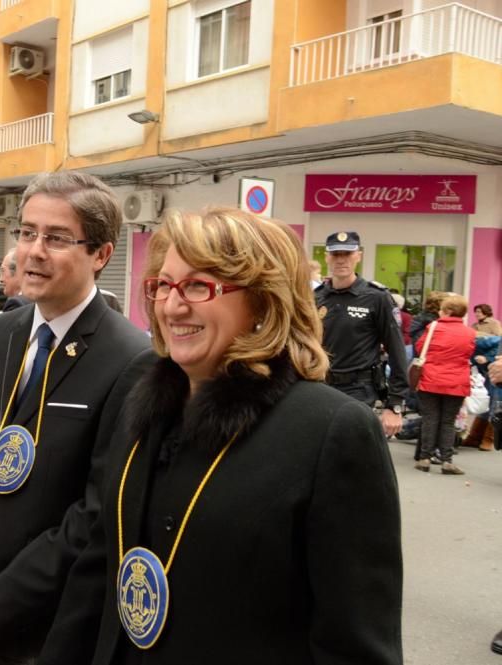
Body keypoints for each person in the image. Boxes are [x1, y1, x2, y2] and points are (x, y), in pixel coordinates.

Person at [39, 208, 403, 665]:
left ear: (264, 302)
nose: (171, 306)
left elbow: (356, 644)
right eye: (163, 286)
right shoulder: (144, 397)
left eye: (198, 286)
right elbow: (98, 568)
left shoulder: (332, 431)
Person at [0, 171, 150, 665]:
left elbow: (94, 513)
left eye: (57, 238)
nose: (33, 250)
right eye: (27, 232)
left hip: (51, 627)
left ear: (101, 255)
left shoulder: (132, 359)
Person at [315, 230, 408, 436]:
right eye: (336, 254)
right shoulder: (316, 297)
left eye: (347, 254)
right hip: (319, 386)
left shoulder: (376, 298)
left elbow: (396, 350)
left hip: (358, 389)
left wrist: (395, 404)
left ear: (358, 255)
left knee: (348, 450)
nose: (341, 260)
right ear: (327, 256)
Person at [413, 294, 477, 475]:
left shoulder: (433, 327)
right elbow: (469, 352)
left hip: (430, 379)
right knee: (448, 421)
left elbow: (419, 347)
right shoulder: (470, 333)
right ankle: (447, 461)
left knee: (430, 418)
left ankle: (425, 458)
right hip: (457, 382)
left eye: (441, 309)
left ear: (448, 311)